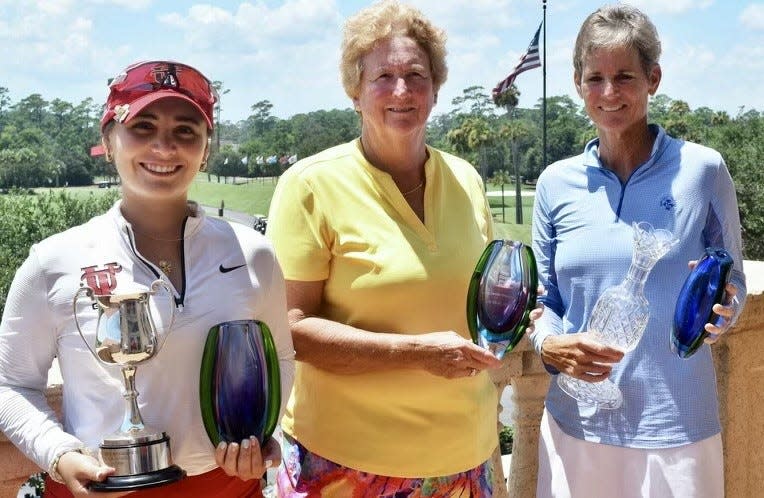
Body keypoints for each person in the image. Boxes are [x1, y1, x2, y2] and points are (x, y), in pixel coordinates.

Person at [267, 1, 544, 495]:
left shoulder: (465, 179)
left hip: (462, 457)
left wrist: (515, 311)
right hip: (345, 463)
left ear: (435, 88)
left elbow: (476, 294)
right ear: (356, 91)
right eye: (383, 76)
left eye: (416, 74)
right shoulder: (310, 185)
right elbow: (288, 330)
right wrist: (414, 353)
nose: (401, 90)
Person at [0, 60, 295, 497]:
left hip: (228, 486)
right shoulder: (54, 261)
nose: (164, 147)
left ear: (206, 149)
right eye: (143, 126)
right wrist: (58, 453)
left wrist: (256, 431)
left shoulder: (253, 253)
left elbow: (281, 359)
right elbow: (10, 384)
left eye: (186, 130)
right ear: (108, 139)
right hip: (102, 487)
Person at [530, 5, 746, 497]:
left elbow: (735, 281)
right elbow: (544, 299)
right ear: (578, 83)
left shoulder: (703, 171)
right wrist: (549, 344)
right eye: (595, 78)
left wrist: (722, 310)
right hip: (574, 427)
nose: (609, 93)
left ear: (653, 78)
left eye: (625, 76)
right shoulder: (554, 183)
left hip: (677, 429)